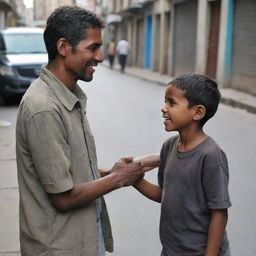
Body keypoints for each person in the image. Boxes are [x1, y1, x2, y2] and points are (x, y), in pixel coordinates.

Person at [16, 6, 156, 256]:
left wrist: (112, 172)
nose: (101, 57)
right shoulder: (44, 108)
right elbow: (63, 197)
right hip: (60, 248)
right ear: (63, 47)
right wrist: (117, 179)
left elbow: (67, 173)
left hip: (83, 240)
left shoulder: (68, 96)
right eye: (93, 48)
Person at [134, 74, 232, 256]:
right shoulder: (169, 146)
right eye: (165, 102)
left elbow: (219, 214)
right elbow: (163, 194)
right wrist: (135, 180)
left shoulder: (211, 156)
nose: (163, 109)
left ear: (197, 112)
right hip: (172, 250)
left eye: (172, 103)